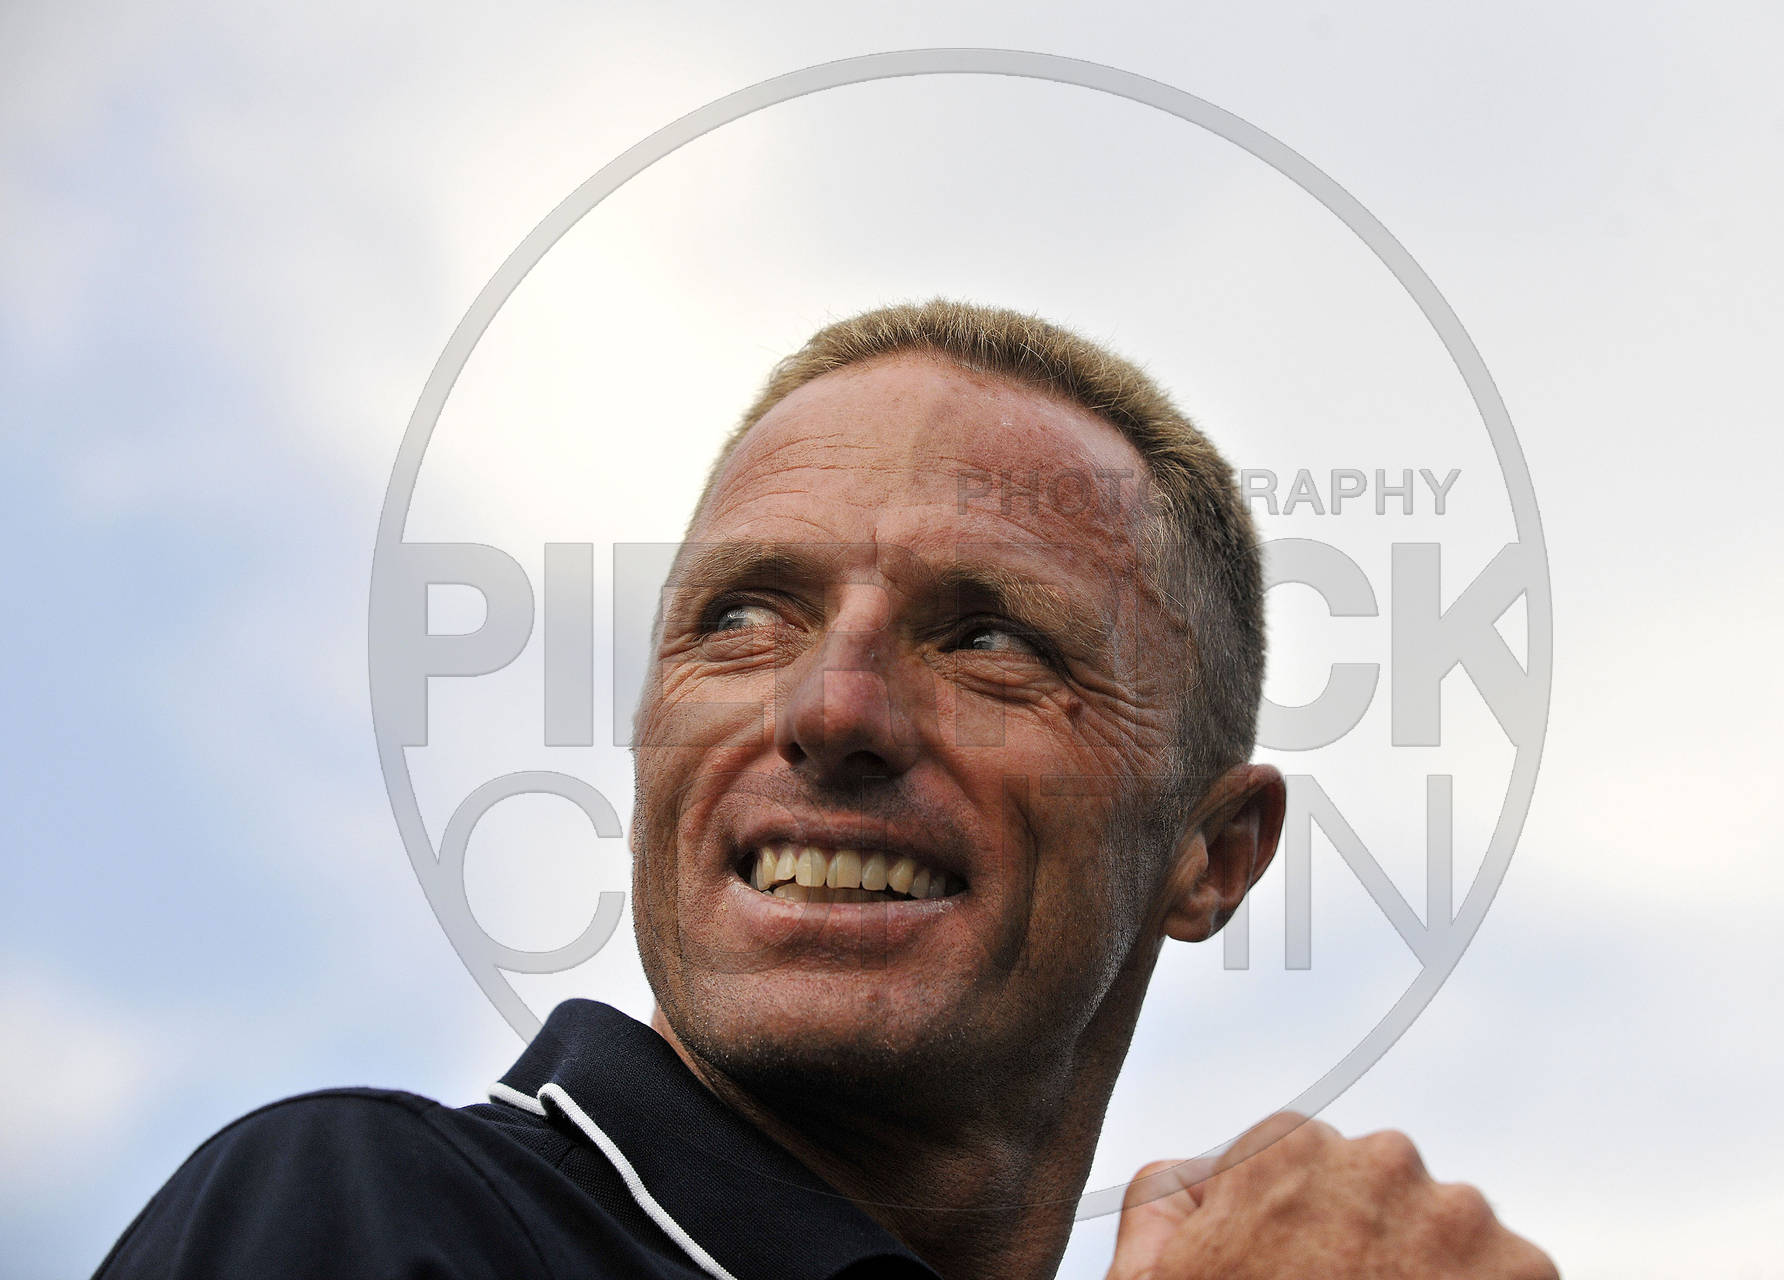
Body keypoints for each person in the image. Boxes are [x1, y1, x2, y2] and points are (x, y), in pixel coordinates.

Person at [95, 300, 1555, 1279]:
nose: (830, 709)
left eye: (988, 639)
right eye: (743, 617)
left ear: (1213, 853)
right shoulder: (364, 1210)